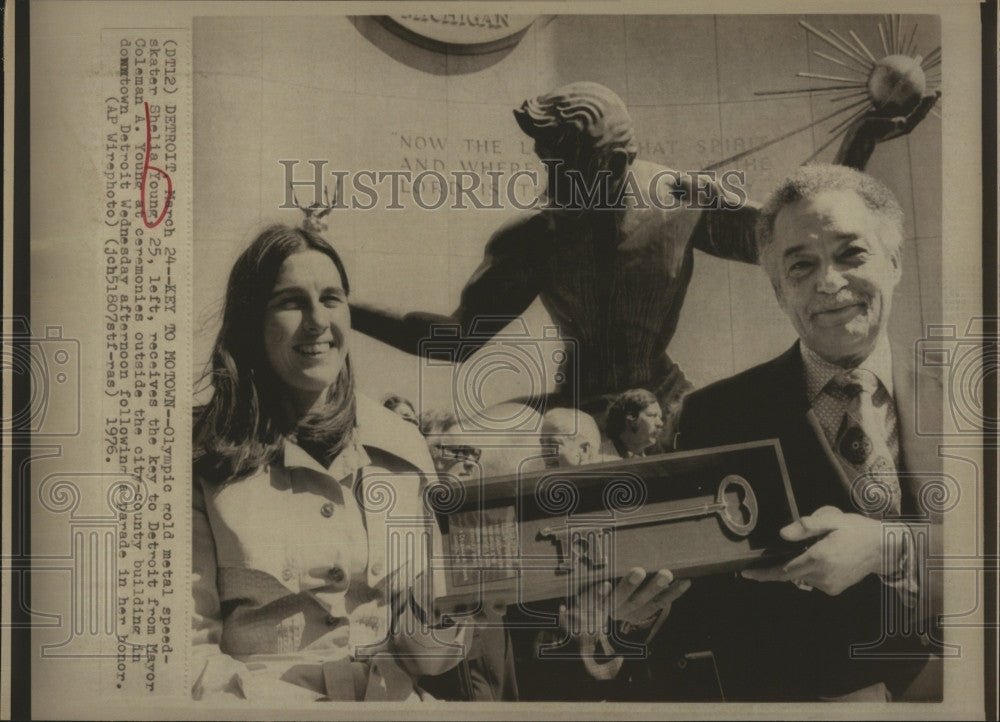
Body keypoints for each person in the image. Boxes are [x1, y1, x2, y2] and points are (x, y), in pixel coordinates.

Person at [349, 81, 938, 447]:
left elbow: (796, 231)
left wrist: (863, 139)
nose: (551, 181)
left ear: (618, 163)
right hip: (573, 414)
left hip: (669, 407)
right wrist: (336, 306)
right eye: (546, 163)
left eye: (566, 168)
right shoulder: (538, 236)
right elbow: (455, 341)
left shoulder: (679, 201)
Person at [672, 164, 943, 701]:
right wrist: (620, 625)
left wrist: (891, 547)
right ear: (778, 291)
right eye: (801, 266)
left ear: (895, 262)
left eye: (851, 254)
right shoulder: (715, 417)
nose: (828, 282)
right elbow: (699, 608)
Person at [191, 225, 468, 704]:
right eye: (290, 301)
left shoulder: (401, 444)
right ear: (251, 319)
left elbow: (430, 656)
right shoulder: (202, 453)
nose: (317, 320)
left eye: (332, 298)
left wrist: (455, 617)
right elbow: (187, 654)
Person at [605, 389, 664, 459]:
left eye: (660, 417)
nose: (660, 423)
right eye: (652, 415)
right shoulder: (595, 459)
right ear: (630, 418)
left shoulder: (650, 464)